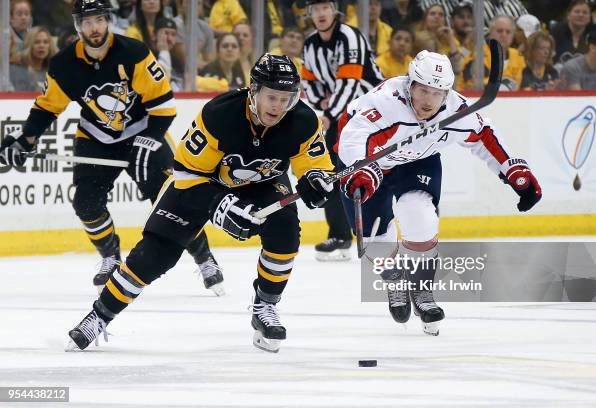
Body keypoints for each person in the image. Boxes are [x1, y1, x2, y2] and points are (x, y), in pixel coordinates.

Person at [65, 54, 335, 353]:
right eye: (272, 97)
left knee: (285, 228)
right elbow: (185, 174)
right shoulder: (220, 114)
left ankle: (265, 307)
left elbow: (317, 165)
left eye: (286, 99)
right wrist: (220, 205)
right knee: (153, 256)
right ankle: (99, 316)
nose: (279, 106)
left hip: (262, 184)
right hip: (201, 184)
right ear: (254, 90)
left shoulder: (303, 120)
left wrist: (317, 180)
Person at [0, 0, 224, 296]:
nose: (94, 28)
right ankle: (109, 256)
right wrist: (25, 140)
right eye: (87, 22)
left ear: (108, 21)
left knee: (171, 201)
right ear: (78, 26)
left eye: (99, 20)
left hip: (142, 130)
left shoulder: (133, 53)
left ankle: (204, 257)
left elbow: (164, 106)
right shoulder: (65, 64)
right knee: (85, 203)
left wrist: (148, 140)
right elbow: (47, 107)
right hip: (96, 136)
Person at [337, 50, 542, 336]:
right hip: (369, 164)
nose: (429, 101)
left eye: (437, 93)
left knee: (418, 214)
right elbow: (351, 136)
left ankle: (422, 290)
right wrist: (360, 168)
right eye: (422, 90)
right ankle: (394, 278)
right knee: (375, 239)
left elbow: (485, 136)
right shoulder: (385, 103)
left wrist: (513, 170)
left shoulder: (455, 109)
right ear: (410, 85)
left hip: (417, 161)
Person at [302, 0, 384, 261]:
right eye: (315, 9)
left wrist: (328, 113)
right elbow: (310, 84)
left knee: (359, 169)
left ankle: (373, 233)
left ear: (334, 10)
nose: (320, 13)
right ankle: (340, 234)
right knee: (331, 169)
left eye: (325, 7)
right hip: (340, 115)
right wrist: (322, 104)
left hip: (371, 111)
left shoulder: (350, 36)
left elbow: (351, 83)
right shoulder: (310, 44)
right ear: (309, 14)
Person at [460, 15, 525, 91]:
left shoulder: (518, 57)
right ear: (490, 32)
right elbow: (471, 84)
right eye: (499, 31)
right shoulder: (477, 54)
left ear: (513, 35)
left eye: (508, 32)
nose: (504, 35)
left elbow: (522, 85)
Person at [414, 4, 463, 73]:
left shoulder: (450, 38)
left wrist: (451, 40)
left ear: (444, 20)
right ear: (425, 19)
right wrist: (435, 36)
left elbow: (458, 67)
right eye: (432, 14)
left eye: (441, 15)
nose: (437, 16)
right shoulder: (418, 37)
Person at [10, 26, 57, 92]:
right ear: (29, 45)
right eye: (37, 42)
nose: (42, 46)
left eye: (45, 42)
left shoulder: (55, 72)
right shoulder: (15, 69)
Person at [552, 0, 593, 65]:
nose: (581, 15)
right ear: (568, 15)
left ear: (589, 18)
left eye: (585, 13)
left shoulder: (592, 38)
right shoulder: (555, 33)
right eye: (577, 12)